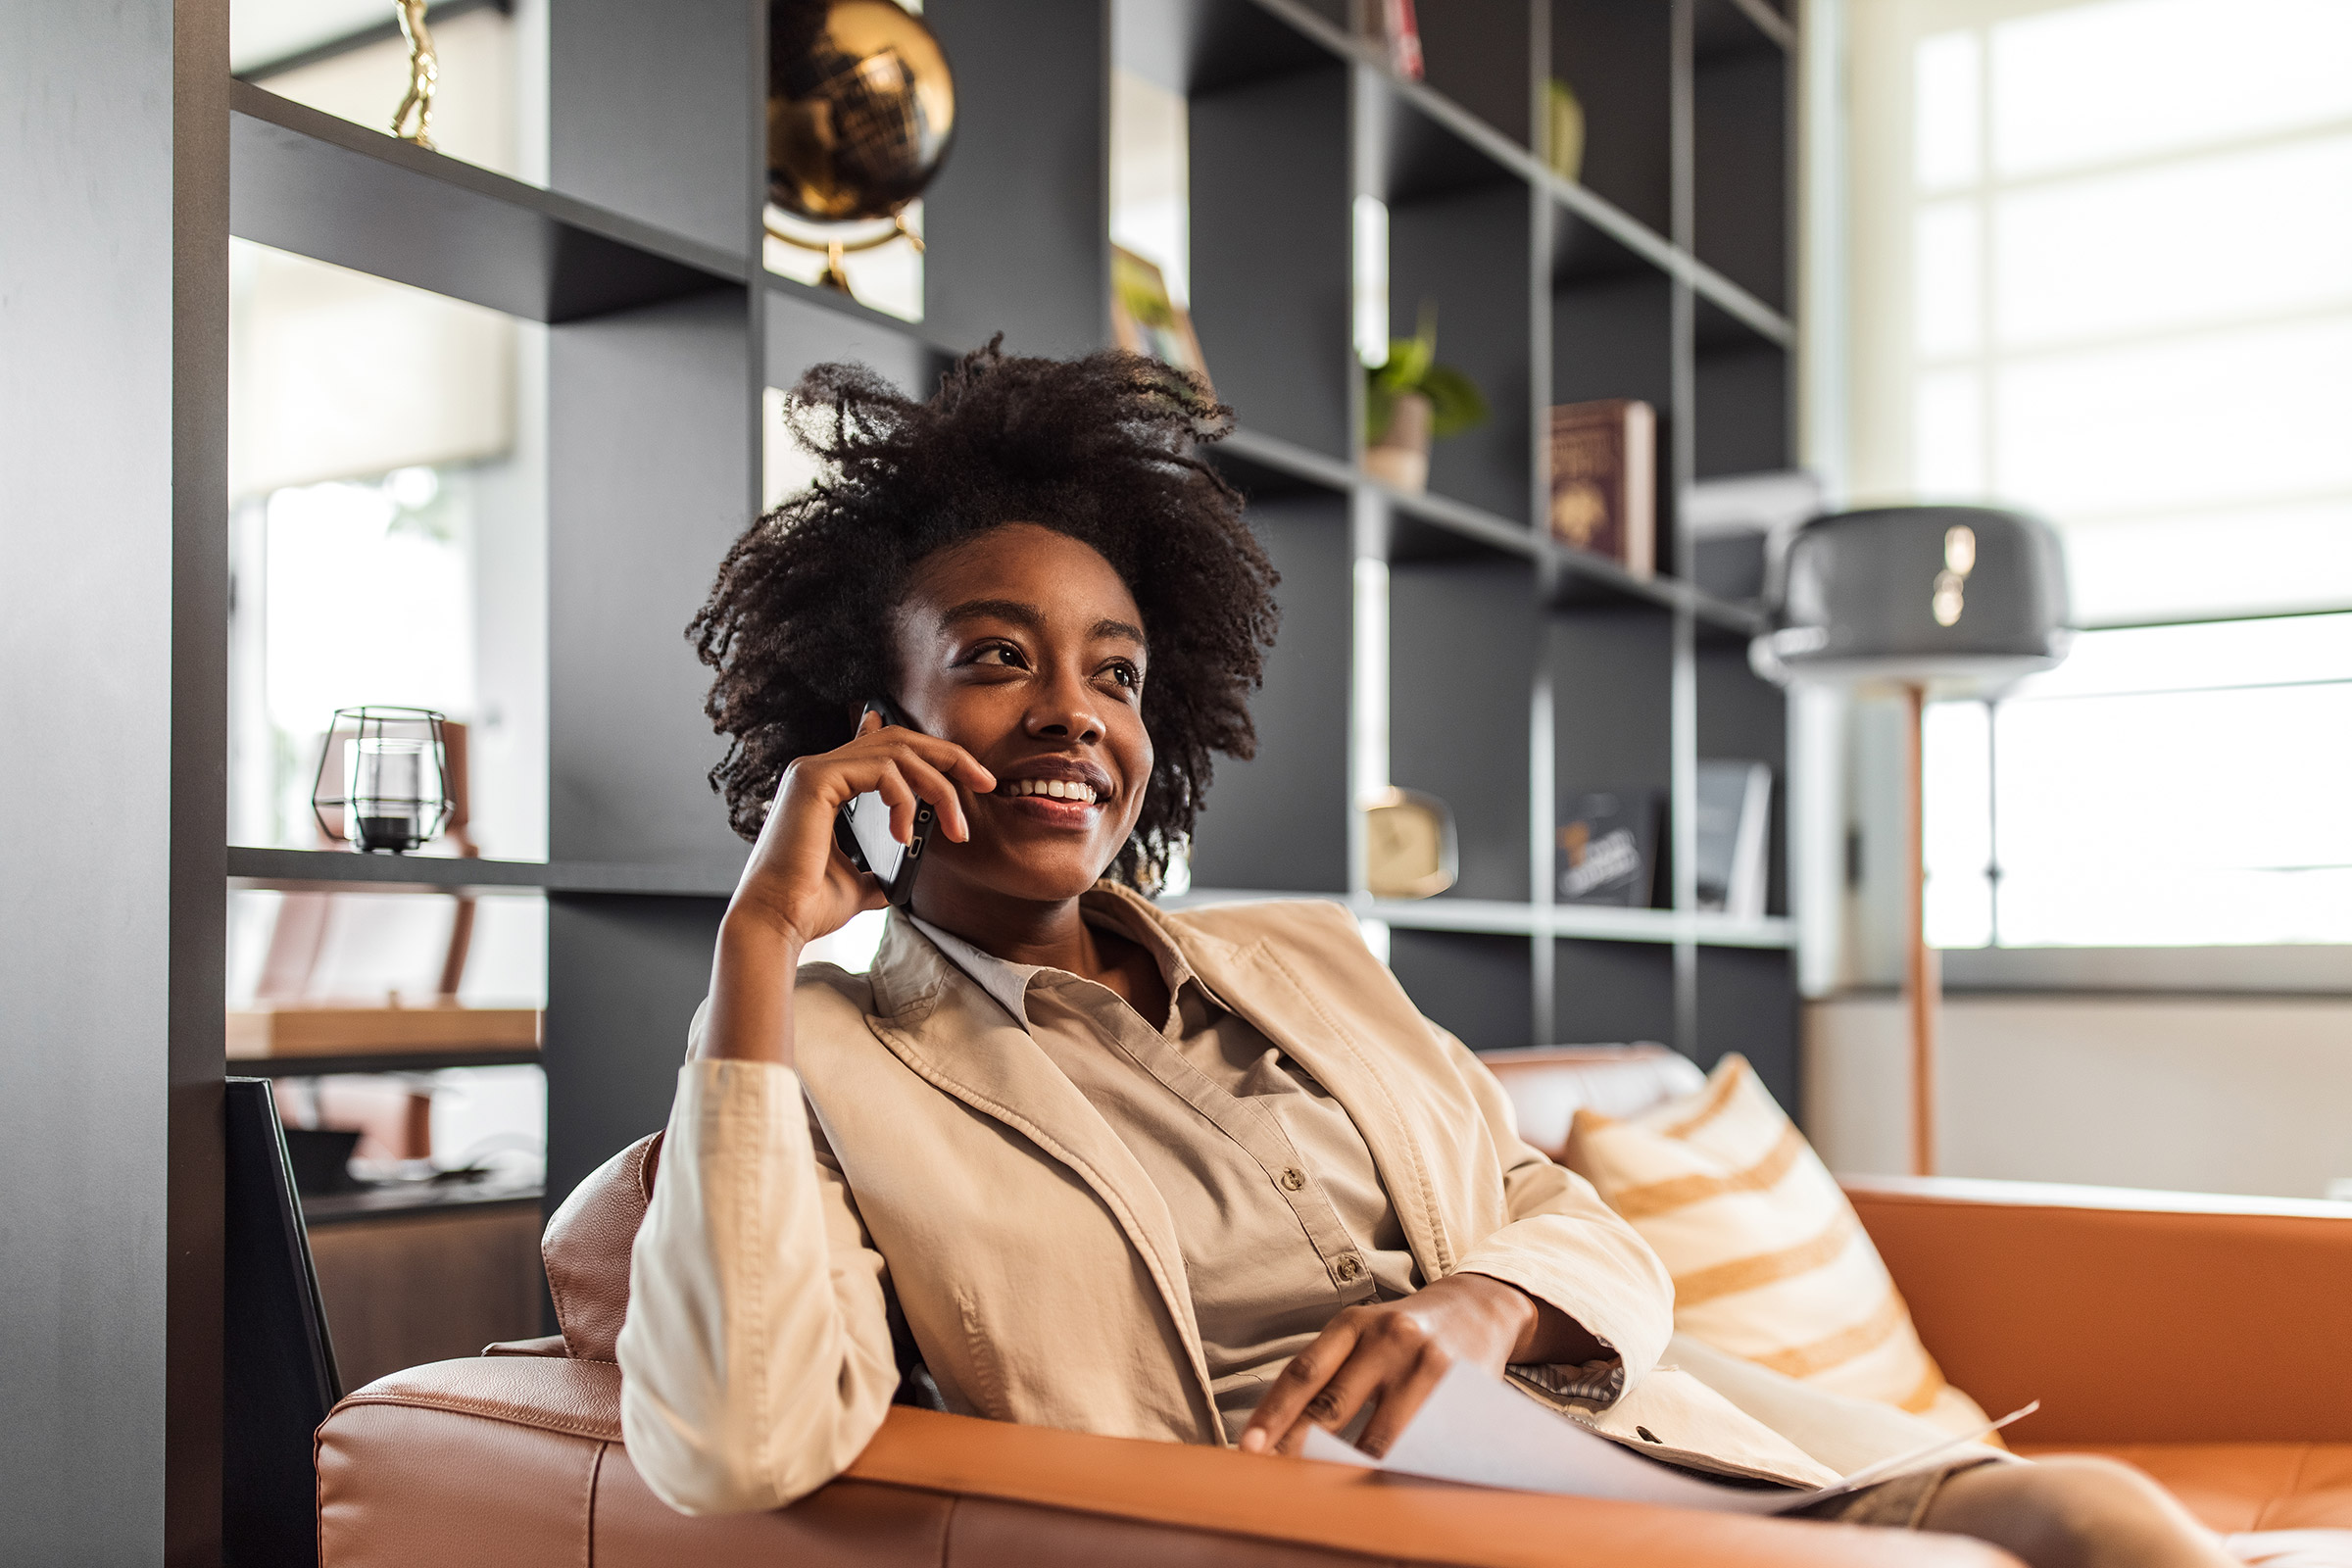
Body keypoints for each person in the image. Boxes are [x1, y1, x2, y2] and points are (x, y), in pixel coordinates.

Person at [617, 343, 2233, 1568]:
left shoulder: (1307, 955)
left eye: (1114, 675)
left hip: (1624, 1442)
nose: (1072, 713)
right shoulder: (815, 1055)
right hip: (1362, 1529)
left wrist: (1482, 1310)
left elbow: (1563, 1218)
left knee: (2097, 1518)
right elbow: (731, 1439)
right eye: (994, 660)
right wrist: (757, 948)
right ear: (873, 724)